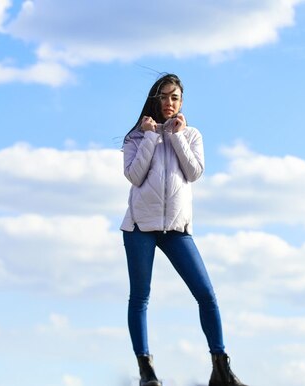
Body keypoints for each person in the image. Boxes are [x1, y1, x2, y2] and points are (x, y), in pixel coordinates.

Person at [121, 73, 248, 386]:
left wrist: (176, 137)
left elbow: (194, 172)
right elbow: (135, 177)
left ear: (181, 101)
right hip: (140, 228)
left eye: (174, 97)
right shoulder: (135, 137)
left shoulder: (191, 135)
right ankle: (146, 371)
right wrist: (151, 137)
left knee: (206, 294)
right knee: (140, 298)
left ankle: (220, 368)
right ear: (155, 99)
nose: (169, 103)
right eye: (163, 96)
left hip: (177, 229)